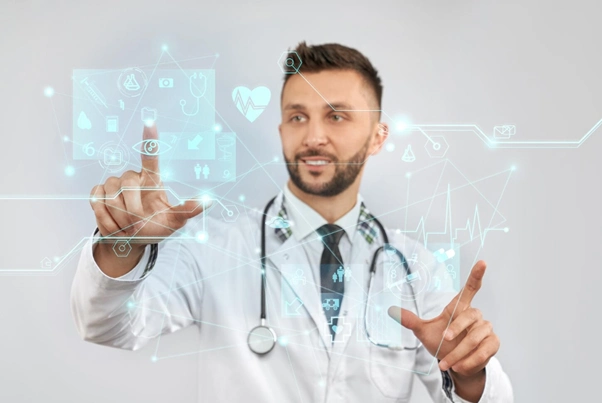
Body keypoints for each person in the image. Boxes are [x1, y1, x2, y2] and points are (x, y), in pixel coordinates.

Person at [71, 42, 513, 402]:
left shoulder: (415, 268)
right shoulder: (217, 247)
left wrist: (469, 374)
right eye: (297, 117)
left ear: (378, 136)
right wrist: (121, 244)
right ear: (281, 131)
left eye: (337, 116)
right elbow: (107, 326)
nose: (313, 136)